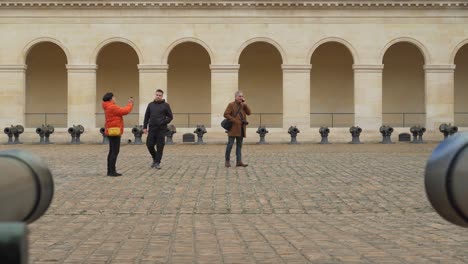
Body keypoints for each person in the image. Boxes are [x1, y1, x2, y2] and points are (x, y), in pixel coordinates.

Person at [102, 92, 134, 177]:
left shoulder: (107, 106)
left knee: (112, 151)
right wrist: (130, 103)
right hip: (114, 131)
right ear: (110, 99)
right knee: (115, 151)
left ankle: (110, 170)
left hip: (110, 130)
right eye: (114, 97)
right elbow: (125, 111)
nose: (115, 99)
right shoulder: (112, 107)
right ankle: (112, 171)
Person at [143, 89, 173, 169]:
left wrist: (163, 122)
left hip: (161, 129)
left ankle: (157, 162)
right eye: (157, 95)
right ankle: (155, 158)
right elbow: (146, 116)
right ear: (155, 95)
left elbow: (170, 117)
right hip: (152, 128)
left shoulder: (166, 105)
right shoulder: (150, 105)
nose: (158, 96)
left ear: (162, 96)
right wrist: (145, 127)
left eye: (160, 95)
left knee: (160, 146)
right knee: (149, 144)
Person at [224, 90, 251, 167]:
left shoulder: (243, 105)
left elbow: (249, 113)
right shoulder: (231, 105)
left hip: (241, 129)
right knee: (230, 145)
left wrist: (245, 104)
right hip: (233, 128)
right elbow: (226, 114)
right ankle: (227, 161)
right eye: (239, 96)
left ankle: (239, 161)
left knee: (239, 146)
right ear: (235, 97)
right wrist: (234, 120)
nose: (241, 98)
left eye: (242, 96)